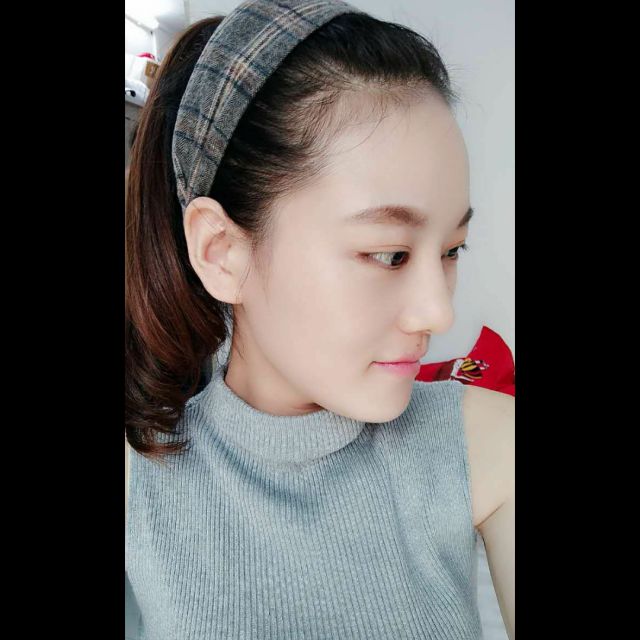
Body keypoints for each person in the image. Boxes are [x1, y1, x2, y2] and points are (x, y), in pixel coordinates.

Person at [125, 1, 514, 639]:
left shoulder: (489, 443)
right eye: (389, 254)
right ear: (222, 253)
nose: (439, 312)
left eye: (451, 251)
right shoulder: (139, 473)